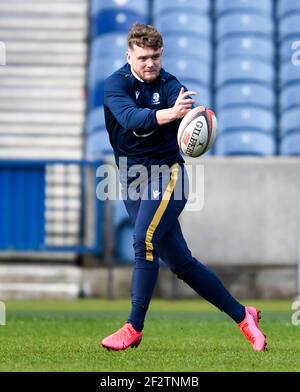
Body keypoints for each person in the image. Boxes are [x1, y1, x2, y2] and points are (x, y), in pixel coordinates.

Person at [101, 23, 267, 352]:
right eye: (144, 57)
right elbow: (132, 119)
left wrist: (194, 123)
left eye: (156, 57)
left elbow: (192, 127)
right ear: (128, 55)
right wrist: (169, 114)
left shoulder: (172, 86)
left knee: (143, 239)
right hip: (132, 181)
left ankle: (134, 326)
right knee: (181, 263)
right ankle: (243, 315)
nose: (151, 64)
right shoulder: (114, 85)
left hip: (168, 176)